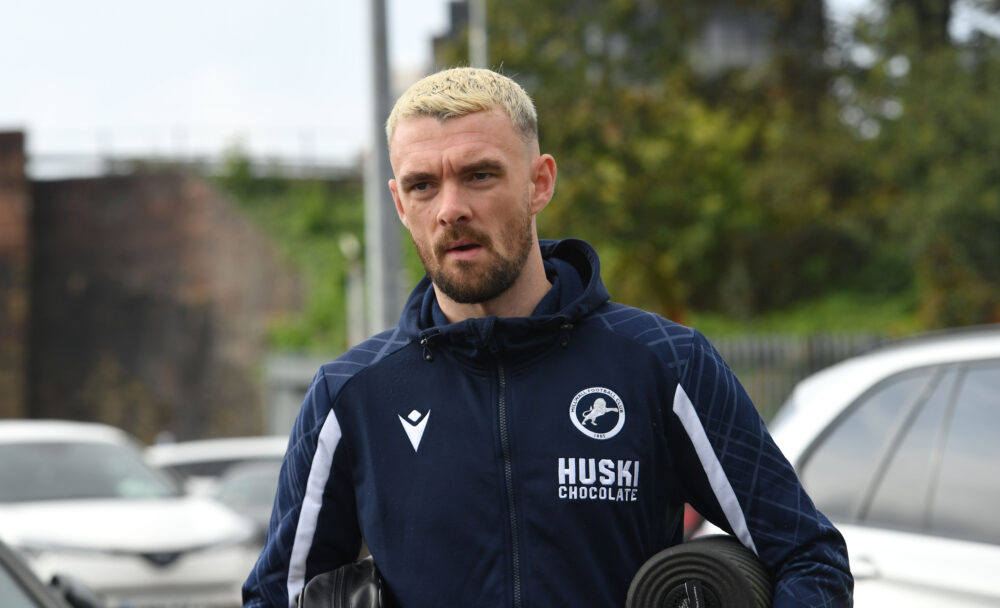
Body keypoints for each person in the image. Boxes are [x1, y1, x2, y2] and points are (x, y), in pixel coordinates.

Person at [243, 67, 853, 608]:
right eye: (423, 185)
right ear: (400, 205)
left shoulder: (665, 364)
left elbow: (808, 557)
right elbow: (274, 597)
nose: (451, 208)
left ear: (539, 183)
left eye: (480, 175)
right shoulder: (349, 395)